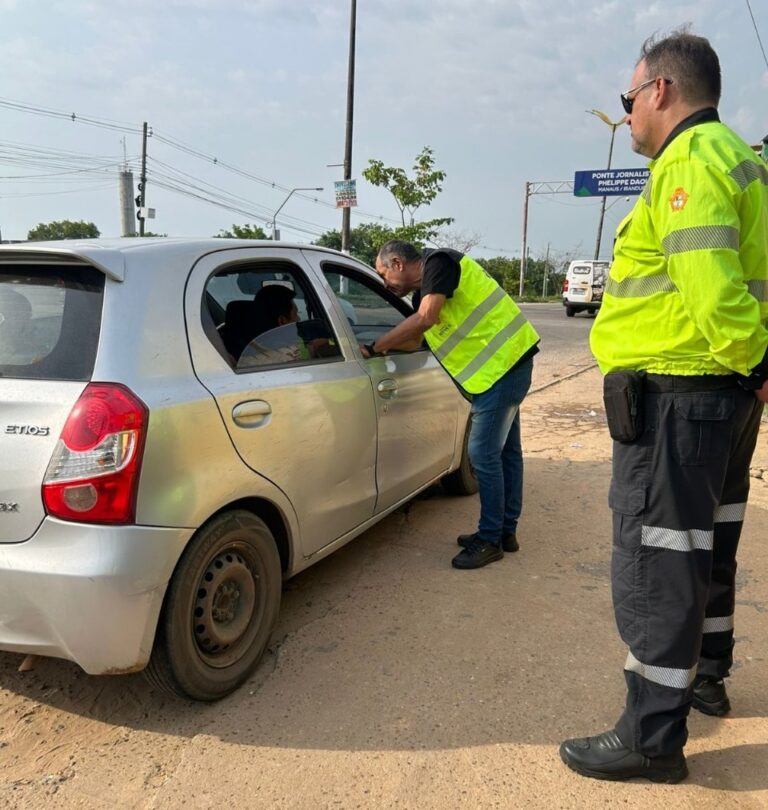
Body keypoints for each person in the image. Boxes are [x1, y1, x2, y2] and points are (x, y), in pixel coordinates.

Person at [560, 29, 768, 784]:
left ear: (661, 92)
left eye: (627, 100)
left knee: (657, 562)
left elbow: (710, 284)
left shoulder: (688, 164)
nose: (626, 117)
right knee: (706, 547)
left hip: (681, 396)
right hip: (723, 396)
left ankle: (652, 736)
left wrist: (759, 359)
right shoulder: (744, 160)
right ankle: (706, 674)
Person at [366, 240, 540, 570]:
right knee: (505, 453)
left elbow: (427, 319)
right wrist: (380, 348)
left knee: (483, 456)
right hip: (501, 370)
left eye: (382, 272)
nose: (383, 282)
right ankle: (504, 533)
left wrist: (376, 346)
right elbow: (416, 339)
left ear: (398, 263)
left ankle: (490, 540)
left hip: (504, 368)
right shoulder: (424, 292)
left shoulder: (440, 264)